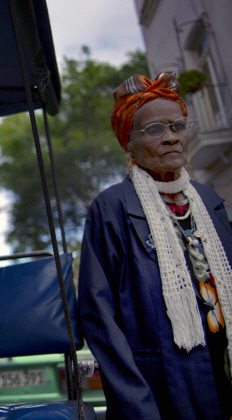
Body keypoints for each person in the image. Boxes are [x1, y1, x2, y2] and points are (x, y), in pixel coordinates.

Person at [78, 71, 232, 419]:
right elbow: (97, 317)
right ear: (128, 142)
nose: (171, 138)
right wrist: (137, 405)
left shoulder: (210, 202)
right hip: (164, 387)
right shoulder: (112, 207)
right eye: (154, 130)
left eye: (178, 126)